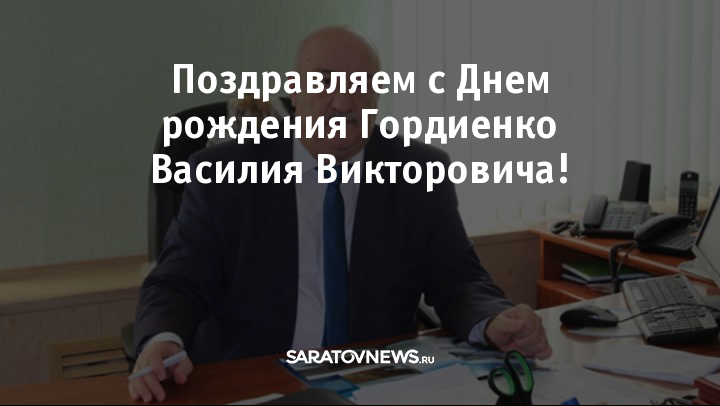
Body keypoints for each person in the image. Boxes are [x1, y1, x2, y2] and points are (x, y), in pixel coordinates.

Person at [129, 26, 552, 403]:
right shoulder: (224, 174)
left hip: (378, 382)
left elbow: (458, 276)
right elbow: (178, 281)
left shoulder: (420, 171)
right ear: (294, 90)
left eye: (360, 84)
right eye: (325, 81)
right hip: (257, 382)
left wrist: (492, 318)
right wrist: (163, 339)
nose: (344, 101)